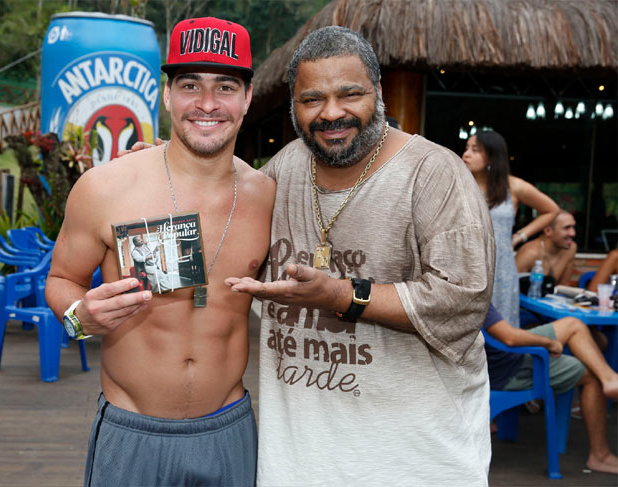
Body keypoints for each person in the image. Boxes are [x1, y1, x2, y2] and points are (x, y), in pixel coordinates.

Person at [225, 26, 496, 485]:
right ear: (293, 104)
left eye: (350, 94)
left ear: (378, 92)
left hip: (414, 461)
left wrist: (339, 294)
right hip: (298, 461)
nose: (331, 113)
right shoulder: (286, 168)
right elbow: (222, 224)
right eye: (312, 100)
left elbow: (464, 299)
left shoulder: (434, 174)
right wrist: (169, 170)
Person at [45, 17, 275, 486]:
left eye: (225, 86)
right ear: (166, 94)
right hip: (132, 432)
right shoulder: (104, 188)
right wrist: (77, 318)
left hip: (229, 428)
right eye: (190, 85)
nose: (207, 104)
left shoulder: (268, 196)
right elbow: (61, 279)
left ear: (247, 98)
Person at [483, 303, 618, 474]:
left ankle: (610, 378)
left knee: (573, 324)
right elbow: (510, 338)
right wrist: (549, 343)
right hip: (506, 369)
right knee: (592, 374)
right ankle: (600, 456)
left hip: (499, 353)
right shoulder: (473, 287)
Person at [462, 130, 559, 328]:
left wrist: (519, 236)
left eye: (475, 150)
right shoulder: (460, 183)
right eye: (466, 148)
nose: (466, 154)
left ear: (492, 156)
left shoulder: (513, 186)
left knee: (502, 327)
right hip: (466, 264)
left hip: (500, 267)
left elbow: (551, 210)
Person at [516, 210, 577, 285]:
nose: (573, 233)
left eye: (573, 227)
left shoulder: (570, 248)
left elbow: (564, 285)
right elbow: (511, 286)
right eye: (566, 228)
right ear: (548, 231)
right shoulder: (529, 253)